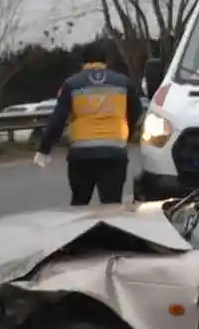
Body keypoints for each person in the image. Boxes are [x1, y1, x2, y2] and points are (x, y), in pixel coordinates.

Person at [33, 42, 142, 206]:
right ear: (105, 61)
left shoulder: (72, 84)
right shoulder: (123, 82)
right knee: (112, 206)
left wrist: (44, 149)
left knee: (79, 204)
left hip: (81, 155)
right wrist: (126, 134)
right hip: (114, 153)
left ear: (82, 63)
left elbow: (58, 119)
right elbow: (136, 111)